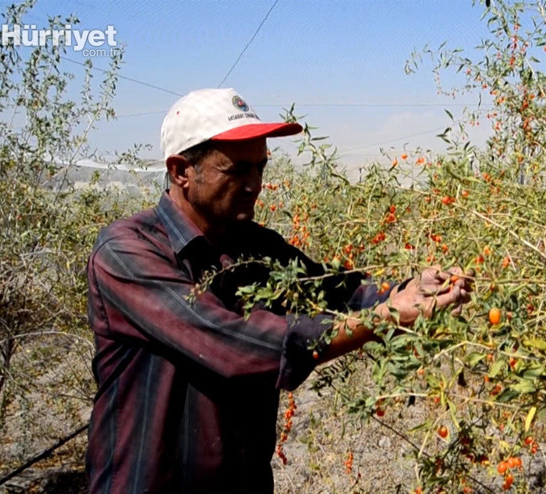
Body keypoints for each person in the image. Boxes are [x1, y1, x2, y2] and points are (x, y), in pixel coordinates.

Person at [84, 88, 472, 493]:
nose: (255, 185)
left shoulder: (259, 248)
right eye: (236, 170)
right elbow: (232, 344)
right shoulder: (127, 252)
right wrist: (387, 317)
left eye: (260, 168)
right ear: (182, 171)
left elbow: (339, 292)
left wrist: (413, 289)